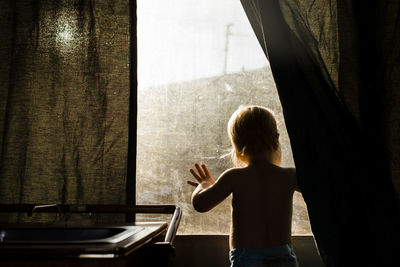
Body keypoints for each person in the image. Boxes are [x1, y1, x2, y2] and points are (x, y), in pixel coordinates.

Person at [187, 105, 299, 267]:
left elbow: (200, 204)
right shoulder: (290, 176)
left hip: (248, 259)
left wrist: (204, 184)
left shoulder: (234, 176)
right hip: (284, 257)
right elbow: (320, 190)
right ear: (276, 140)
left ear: (237, 149)